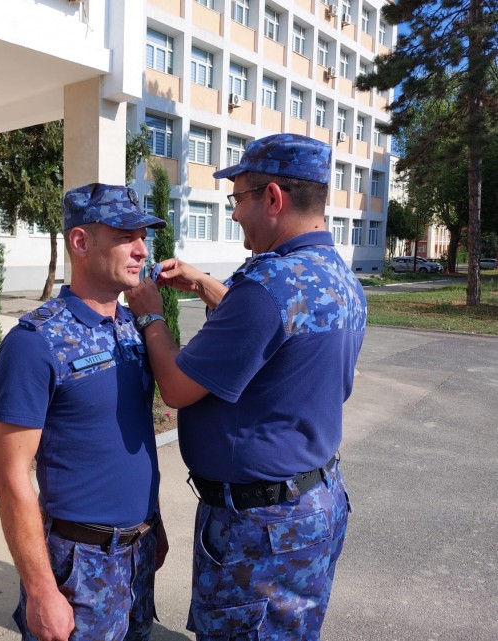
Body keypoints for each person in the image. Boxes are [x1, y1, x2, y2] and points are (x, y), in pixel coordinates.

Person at [126, 133, 366, 640]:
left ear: (274, 198)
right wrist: (203, 285)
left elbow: (176, 386)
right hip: (312, 507)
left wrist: (150, 313)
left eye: (238, 200)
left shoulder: (266, 288)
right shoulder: (337, 278)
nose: (234, 215)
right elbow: (279, 331)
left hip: (260, 530)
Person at [0, 183, 170, 641]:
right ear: (80, 241)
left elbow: (133, 442)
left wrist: (153, 522)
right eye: (126, 236)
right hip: (79, 566)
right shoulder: (35, 343)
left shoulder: (133, 329)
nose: (141, 249)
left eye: (143, 236)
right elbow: (11, 474)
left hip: (139, 554)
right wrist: (40, 590)